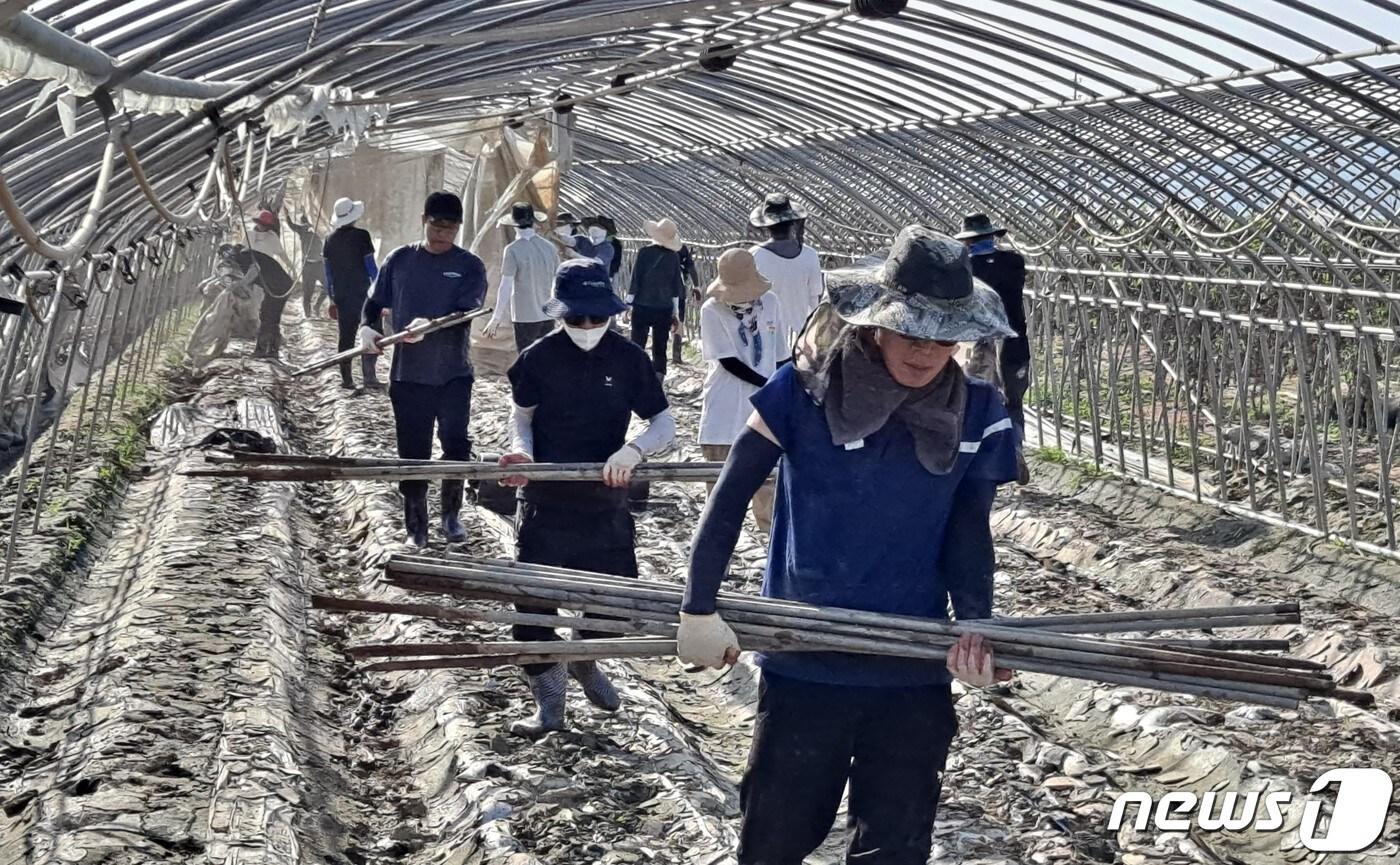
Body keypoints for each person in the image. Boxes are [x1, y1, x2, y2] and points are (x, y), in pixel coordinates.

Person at [677, 225, 1021, 865]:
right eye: (913, 335)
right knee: (775, 837)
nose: (926, 354)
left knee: (896, 844)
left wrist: (977, 628)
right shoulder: (803, 393)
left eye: (945, 340)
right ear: (877, 325)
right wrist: (698, 606)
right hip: (805, 656)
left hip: (910, 659)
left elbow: (969, 528)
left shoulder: (975, 410)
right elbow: (728, 500)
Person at [497, 258, 674, 737]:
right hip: (547, 502)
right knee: (533, 609)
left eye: (599, 318)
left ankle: (585, 657)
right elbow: (522, 419)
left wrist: (632, 450)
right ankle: (549, 698)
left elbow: (664, 424)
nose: (589, 327)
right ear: (560, 314)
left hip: (606, 499)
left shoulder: (629, 358)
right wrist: (522, 455)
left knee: (617, 602)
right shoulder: (538, 358)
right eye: (578, 319)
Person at [360, 192, 487, 547]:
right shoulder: (400, 260)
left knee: (456, 445)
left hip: (453, 373)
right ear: (424, 220)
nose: (442, 233)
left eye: (449, 227)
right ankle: (416, 524)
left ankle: (451, 515)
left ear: (458, 228)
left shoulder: (470, 266)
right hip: (408, 375)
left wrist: (428, 325)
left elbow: (465, 313)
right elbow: (374, 303)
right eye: (436, 225)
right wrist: (367, 327)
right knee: (412, 450)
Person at [698, 249, 786, 534]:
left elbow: (782, 354)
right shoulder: (712, 310)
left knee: (768, 486)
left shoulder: (770, 303)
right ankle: (713, 553)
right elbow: (728, 361)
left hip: (764, 410)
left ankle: (771, 546)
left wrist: (783, 387)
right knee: (720, 488)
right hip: (724, 407)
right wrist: (768, 385)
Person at [957, 213, 1031, 485]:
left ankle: (981, 458)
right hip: (1014, 344)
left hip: (979, 345)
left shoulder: (965, 267)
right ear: (991, 236)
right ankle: (1016, 448)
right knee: (1014, 401)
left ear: (968, 240)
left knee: (978, 400)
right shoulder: (1014, 261)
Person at [749, 193, 824, 354]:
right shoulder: (809, 256)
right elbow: (815, 301)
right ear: (793, 223)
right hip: (799, 339)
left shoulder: (754, 256)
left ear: (767, 226)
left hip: (765, 337)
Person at [321, 196, 383, 390]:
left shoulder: (329, 240)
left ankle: (346, 379)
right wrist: (381, 290)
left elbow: (328, 274)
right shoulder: (362, 236)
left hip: (341, 295)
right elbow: (371, 267)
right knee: (372, 333)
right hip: (364, 295)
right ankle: (369, 377)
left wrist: (331, 298)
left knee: (346, 337)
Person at [485, 202, 559, 354]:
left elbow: (506, 285)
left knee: (526, 360)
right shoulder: (549, 248)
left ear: (514, 225)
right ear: (534, 223)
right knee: (545, 358)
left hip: (524, 315)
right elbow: (558, 281)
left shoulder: (512, 250)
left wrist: (496, 318)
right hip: (547, 315)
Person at [628, 218, 684, 380]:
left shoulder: (644, 252)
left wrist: (628, 303)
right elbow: (675, 288)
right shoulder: (673, 257)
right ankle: (658, 379)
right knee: (660, 346)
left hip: (642, 305)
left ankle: (635, 376)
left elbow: (635, 279)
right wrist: (676, 313)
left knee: (637, 342)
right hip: (664, 308)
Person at [246, 209, 295, 360]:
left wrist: (292, 267)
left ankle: (266, 349)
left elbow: (282, 255)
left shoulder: (272, 238)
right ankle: (268, 348)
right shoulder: (249, 237)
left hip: (275, 284)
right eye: (261, 224)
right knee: (266, 315)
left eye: (265, 225)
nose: (262, 227)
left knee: (269, 315)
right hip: (264, 282)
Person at [286, 209, 326, 319]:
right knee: (308, 292)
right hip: (308, 266)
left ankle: (316, 307)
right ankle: (308, 316)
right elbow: (291, 225)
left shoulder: (320, 229)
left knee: (329, 287)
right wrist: (287, 215)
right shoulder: (303, 230)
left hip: (319, 264)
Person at [673, 238, 702, 364]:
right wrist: (696, 286)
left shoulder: (652, 250)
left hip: (660, 291)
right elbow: (691, 268)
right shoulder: (681, 248)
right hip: (678, 288)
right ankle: (676, 353)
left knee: (662, 320)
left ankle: (660, 354)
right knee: (679, 319)